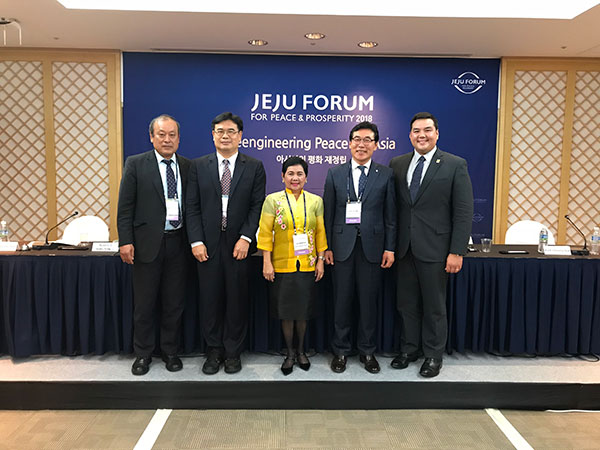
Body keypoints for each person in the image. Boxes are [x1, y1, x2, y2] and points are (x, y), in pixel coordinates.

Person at [389, 112, 473, 378]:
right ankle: (409, 349)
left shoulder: (454, 164)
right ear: (410, 135)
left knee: (434, 306)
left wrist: (456, 251)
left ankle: (433, 356)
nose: (421, 135)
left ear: (437, 133)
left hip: (437, 249)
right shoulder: (398, 164)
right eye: (416, 131)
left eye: (427, 130)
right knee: (406, 304)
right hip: (404, 249)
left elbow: (463, 212)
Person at [186, 112, 266, 375]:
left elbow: (257, 206)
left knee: (236, 299)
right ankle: (214, 350)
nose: (225, 136)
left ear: (240, 136)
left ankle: (233, 351)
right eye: (220, 131)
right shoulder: (198, 166)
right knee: (209, 299)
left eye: (231, 131)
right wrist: (196, 241)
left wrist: (246, 238)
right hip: (207, 245)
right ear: (213, 135)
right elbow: (192, 207)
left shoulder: (254, 166)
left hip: (238, 245)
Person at [117, 114, 191, 376]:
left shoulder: (187, 167)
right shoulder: (136, 164)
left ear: (178, 139)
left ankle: (170, 351)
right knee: (145, 303)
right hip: (146, 244)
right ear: (152, 137)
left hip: (179, 243)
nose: (167, 139)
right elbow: (125, 207)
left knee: (174, 303)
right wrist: (125, 240)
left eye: (172, 135)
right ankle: (143, 354)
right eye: (162, 134)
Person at [323, 121, 396, 374]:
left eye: (367, 140)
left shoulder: (386, 175)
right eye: (356, 139)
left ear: (376, 145)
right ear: (349, 143)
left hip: (373, 248)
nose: (361, 144)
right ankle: (341, 351)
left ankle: (367, 351)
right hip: (341, 247)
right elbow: (328, 213)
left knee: (368, 302)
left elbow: (390, 216)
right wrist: (327, 247)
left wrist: (390, 248)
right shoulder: (335, 173)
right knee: (341, 301)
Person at [257, 156, 328, 375]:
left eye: (299, 174)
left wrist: (321, 260)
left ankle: (301, 351)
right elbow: (265, 233)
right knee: (287, 312)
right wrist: (266, 262)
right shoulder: (272, 200)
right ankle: (289, 353)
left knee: (303, 311)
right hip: (281, 265)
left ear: (306, 178)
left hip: (307, 265)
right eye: (290, 174)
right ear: (282, 177)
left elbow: (320, 232)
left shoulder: (315, 201)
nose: (295, 178)